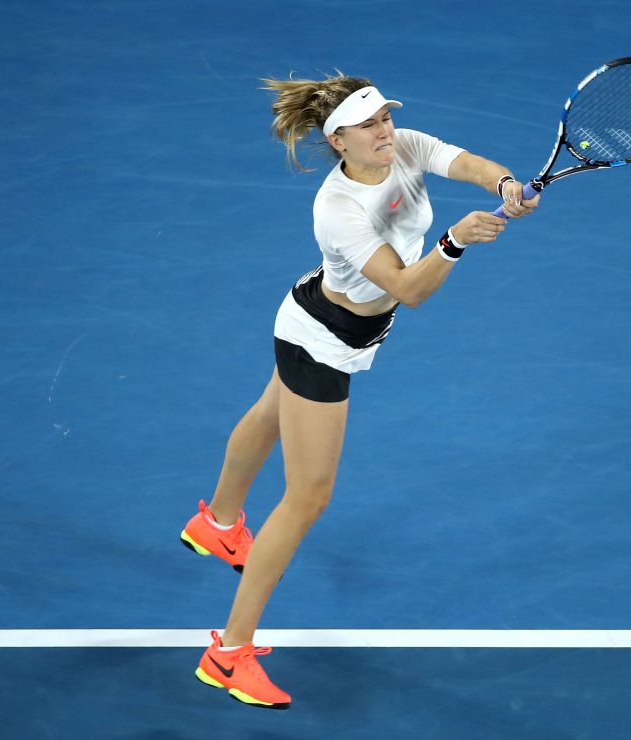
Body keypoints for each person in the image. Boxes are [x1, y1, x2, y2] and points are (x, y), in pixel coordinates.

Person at [178, 73, 539, 710]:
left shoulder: (404, 148)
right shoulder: (337, 208)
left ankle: (217, 524)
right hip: (322, 344)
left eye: (386, 118)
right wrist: (455, 242)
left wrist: (504, 182)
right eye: (369, 125)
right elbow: (409, 289)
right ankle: (229, 653)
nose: (385, 131)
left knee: (268, 415)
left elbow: (469, 163)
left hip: (312, 315)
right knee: (308, 497)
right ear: (338, 139)